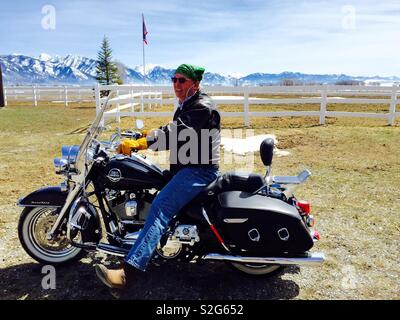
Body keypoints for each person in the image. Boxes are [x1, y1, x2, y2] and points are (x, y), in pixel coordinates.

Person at [95, 64, 221, 289]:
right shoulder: (188, 104)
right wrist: (144, 134)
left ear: (195, 83)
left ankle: (128, 272)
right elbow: (171, 128)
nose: (176, 85)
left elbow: (175, 133)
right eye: (174, 80)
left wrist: (140, 144)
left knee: (161, 207)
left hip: (199, 170)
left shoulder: (202, 106)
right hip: (186, 167)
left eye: (182, 81)